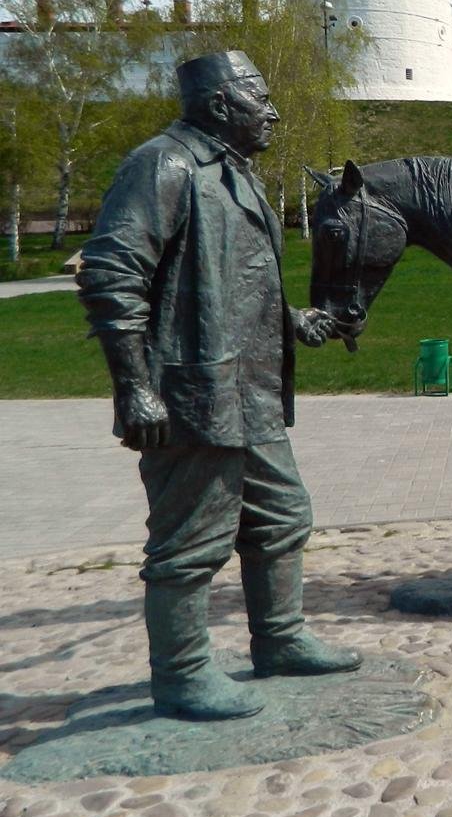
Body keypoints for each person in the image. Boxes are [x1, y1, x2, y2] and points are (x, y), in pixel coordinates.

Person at [76, 51, 362, 721]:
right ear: (216, 106)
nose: (273, 110)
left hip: (251, 392)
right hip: (193, 396)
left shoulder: (234, 172)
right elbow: (111, 276)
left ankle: (281, 640)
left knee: (282, 516)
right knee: (189, 543)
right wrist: (134, 388)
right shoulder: (165, 165)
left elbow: (229, 283)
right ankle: (180, 676)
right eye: (257, 98)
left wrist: (293, 323)